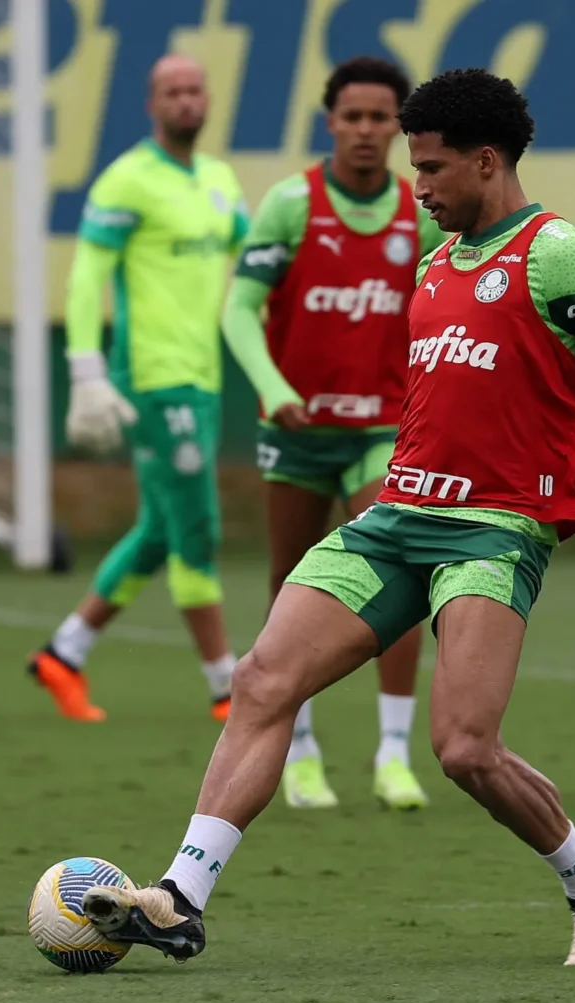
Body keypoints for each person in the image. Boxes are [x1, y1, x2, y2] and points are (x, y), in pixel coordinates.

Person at [79, 67, 575, 967]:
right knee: (261, 680)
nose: (420, 187)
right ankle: (180, 895)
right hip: (396, 517)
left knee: (466, 750)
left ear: (487, 162)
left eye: (434, 169)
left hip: (493, 529)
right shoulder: (439, 261)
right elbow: (507, 379)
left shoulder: (556, 251)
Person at [221, 57, 446, 811]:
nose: (366, 130)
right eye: (352, 116)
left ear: (400, 128)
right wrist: (275, 388)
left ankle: (392, 752)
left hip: (381, 430)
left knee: (400, 571)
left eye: (381, 117)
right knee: (292, 583)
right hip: (296, 433)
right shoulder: (291, 205)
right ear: (331, 123)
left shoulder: (417, 215)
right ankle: (301, 749)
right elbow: (237, 309)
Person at [28, 56, 248, 723]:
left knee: (160, 529)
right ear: (152, 104)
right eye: (171, 91)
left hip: (204, 376)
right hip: (151, 380)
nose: (185, 100)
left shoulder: (218, 179)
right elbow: (84, 275)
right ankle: (225, 687)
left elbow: (252, 258)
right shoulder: (126, 180)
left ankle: (62, 655)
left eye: (193, 88)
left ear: (206, 98)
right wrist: (87, 369)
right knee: (198, 530)